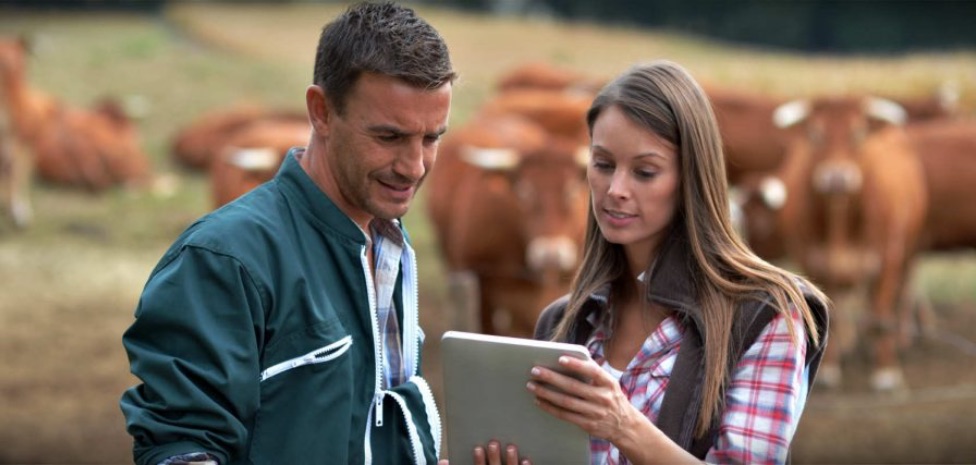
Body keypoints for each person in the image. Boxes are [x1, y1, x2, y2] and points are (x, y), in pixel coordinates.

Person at [119, 2, 456, 464]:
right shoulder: (223, 259)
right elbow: (181, 445)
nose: (414, 167)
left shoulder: (389, 246)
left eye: (432, 138)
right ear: (321, 111)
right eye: (389, 137)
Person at [475, 60, 829, 465]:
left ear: (692, 179)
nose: (615, 190)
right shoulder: (564, 321)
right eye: (603, 165)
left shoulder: (765, 314)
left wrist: (624, 426)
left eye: (645, 172)